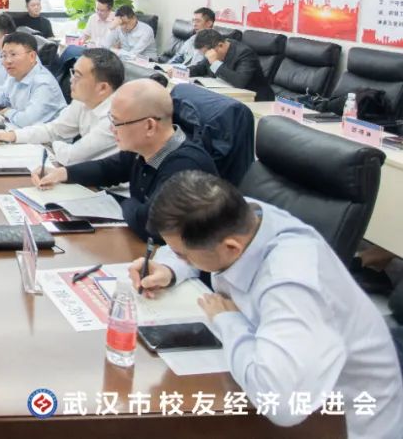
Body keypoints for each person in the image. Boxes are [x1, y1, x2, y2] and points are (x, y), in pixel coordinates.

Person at [133, 171, 403, 437]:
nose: (182, 258)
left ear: (231, 248)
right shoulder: (243, 214)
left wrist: (229, 322)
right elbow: (200, 245)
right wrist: (170, 269)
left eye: (183, 255)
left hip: (342, 421)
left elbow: (282, 404)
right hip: (275, 369)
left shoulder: (291, 284)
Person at [38, 78, 217, 239]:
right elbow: (109, 169)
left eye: (117, 122)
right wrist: (62, 173)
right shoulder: (145, 147)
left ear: (149, 126)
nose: (112, 129)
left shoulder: (185, 168)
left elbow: (149, 224)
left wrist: (123, 202)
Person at [0, 48, 123, 165]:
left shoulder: (114, 118)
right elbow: (54, 130)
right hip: (82, 173)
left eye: (78, 76)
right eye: (73, 73)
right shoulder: (82, 101)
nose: (71, 80)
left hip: (107, 186)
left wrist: (52, 143)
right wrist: (12, 136)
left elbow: (70, 157)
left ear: (102, 88)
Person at [0, 32, 65, 127]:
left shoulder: (44, 84)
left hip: (45, 138)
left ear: (32, 56)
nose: (8, 61)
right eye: (4, 55)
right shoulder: (17, 75)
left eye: (13, 55)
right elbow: (5, 96)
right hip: (25, 132)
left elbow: (27, 121)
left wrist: (7, 112)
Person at [189, 28, 273, 101]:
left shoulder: (245, 53)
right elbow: (200, 68)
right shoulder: (213, 49)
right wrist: (184, 71)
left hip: (255, 99)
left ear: (220, 45)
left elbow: (240, 81)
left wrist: (215, 63)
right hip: (226, 95)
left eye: (206, 53)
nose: (206, 56)